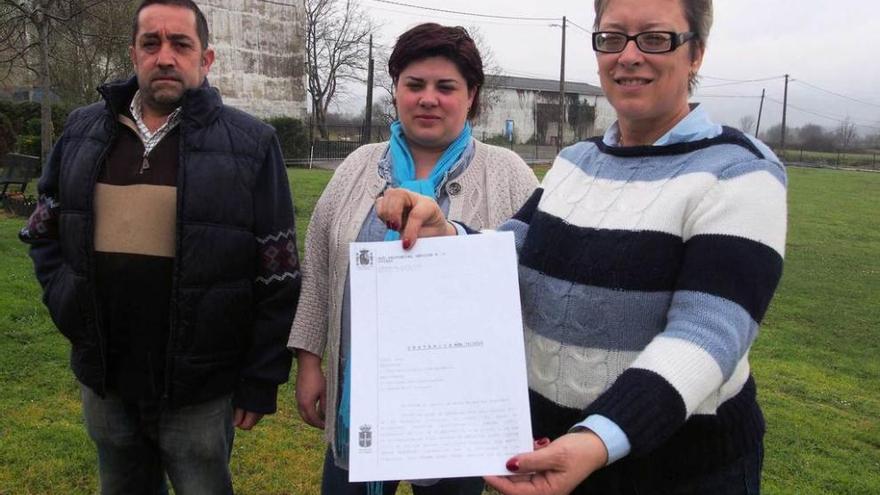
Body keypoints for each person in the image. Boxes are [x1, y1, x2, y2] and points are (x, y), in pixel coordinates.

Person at [375, 0, 787, 493]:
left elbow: (709, 332)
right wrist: (448, 233)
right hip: (554, 457)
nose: (628, 55)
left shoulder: (739, 170)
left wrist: (599, 438)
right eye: (612, 37)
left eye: (654, 38)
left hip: (678, 472)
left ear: (695, 53)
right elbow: (509, 254)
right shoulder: (575, 161)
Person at [18, 0, 300, 493]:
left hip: (201, 386)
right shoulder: (83, 131)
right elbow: (44, 228)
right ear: (133, 54)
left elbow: (277, 271)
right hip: (106, 378)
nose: (164, 56)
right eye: (151, 43)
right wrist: (66, 298)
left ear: (205, 59)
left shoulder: (252, 144)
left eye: (180, 44)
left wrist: (261, 376)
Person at [287, 22, 538, 495]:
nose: (428, 98)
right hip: (360, 400)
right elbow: (320, 266)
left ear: (471, 96)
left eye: (446, 87)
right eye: (414, 84)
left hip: (459, 414)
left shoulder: (509, 176)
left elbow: (532, 276)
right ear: (396, 90)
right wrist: (309, 361)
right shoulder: (357, 168)